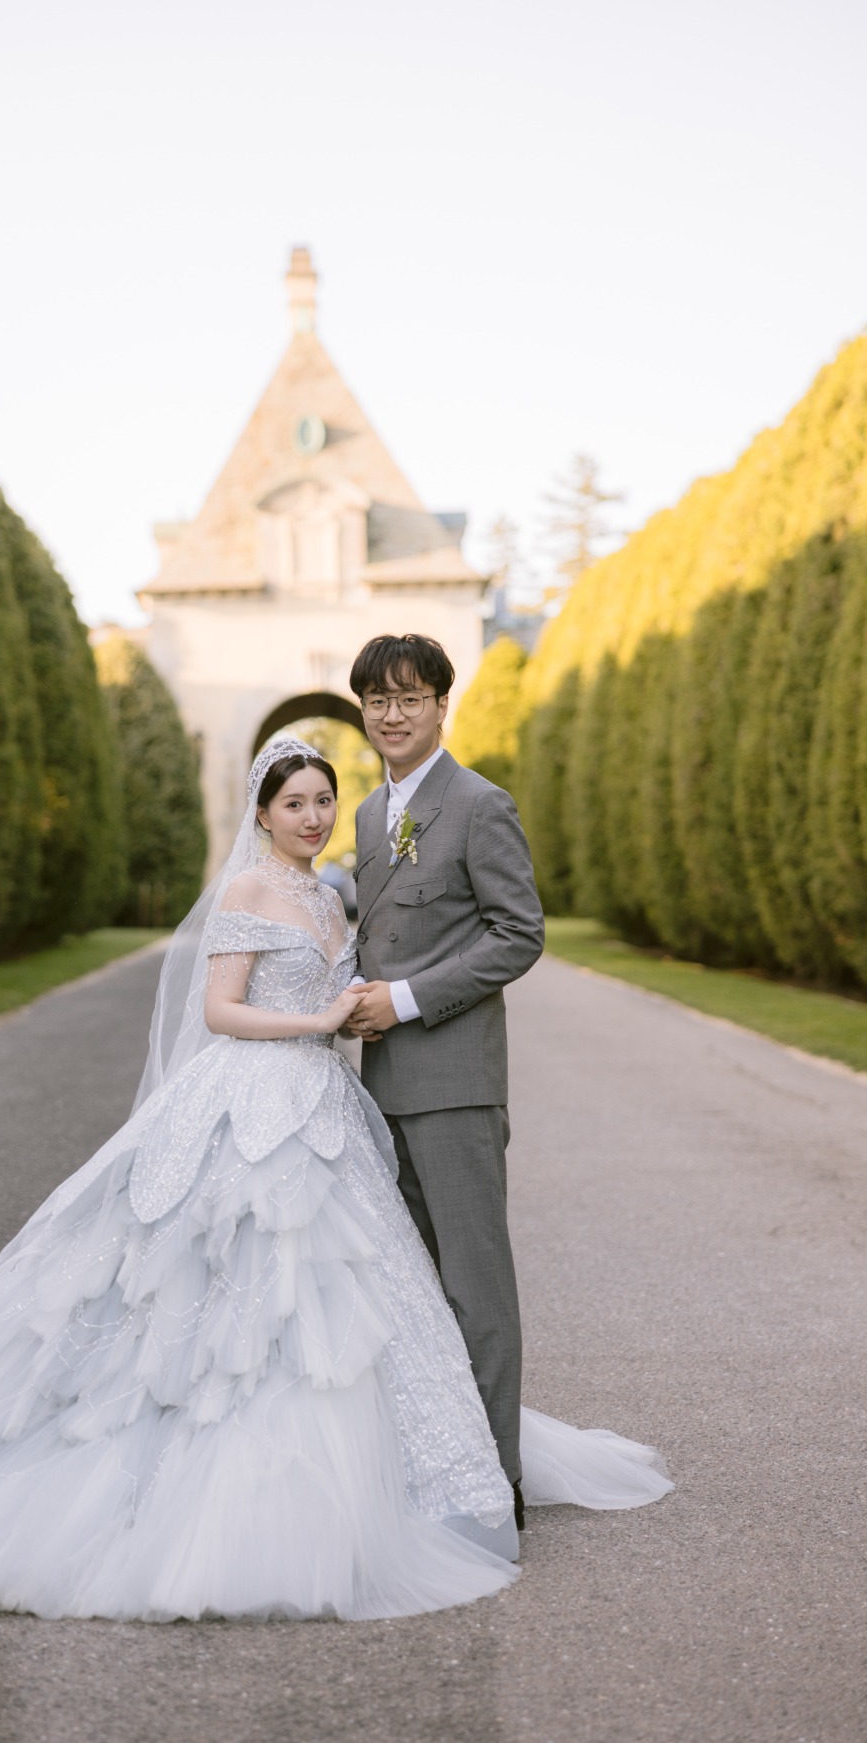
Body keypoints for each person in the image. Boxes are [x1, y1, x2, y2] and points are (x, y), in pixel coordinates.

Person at [0, 738, 670, 1623]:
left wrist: (364, 1004)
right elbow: (225, 1009)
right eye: (295, 804)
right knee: (212, 1286)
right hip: (252, 1096)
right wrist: (314, 1022)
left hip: (324, 1111)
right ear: (263, 812)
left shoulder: (331, 893)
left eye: (324, 800)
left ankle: (389, 1470)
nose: (315, 816)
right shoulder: (247, 894)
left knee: (353, 1292)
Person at [346, 633, 541, 1521]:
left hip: (456, 1083)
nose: (393, 715)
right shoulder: (365, 816)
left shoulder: (478, 804)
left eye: (410, 699)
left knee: (475, 1286)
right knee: (415, 1293)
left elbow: (518, 934)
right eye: (377, 701)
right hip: (381, 1090)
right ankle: (437, 1464)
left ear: (439, 707)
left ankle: (495, 1485)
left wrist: (410, 1000)